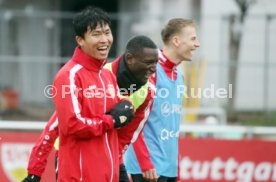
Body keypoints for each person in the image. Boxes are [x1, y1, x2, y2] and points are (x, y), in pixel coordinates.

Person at [23, 35, 159, 182]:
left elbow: (127, 136)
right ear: (130, 59)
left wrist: (113, 158)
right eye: (149, 62)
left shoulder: (149, 91)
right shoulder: (98, 75)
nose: (154, 68)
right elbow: (56, 124)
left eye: (156, 63)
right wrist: (35, 171)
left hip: (109, 157)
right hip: (72, 155)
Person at [33, 6, 135, 182]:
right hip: (79, 176)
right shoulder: (68, 75)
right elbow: (72, 124)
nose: (104, 40)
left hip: (109, 175)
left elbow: (119, 111)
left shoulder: (107, 74)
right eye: (96, 34)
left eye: (107, 32)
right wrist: (111, 120)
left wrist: (127, 106)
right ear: (80, 40)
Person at [124, 18, 200, 182]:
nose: (197, 44)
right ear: (176, 41)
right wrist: (145, 163)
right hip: (147, 170)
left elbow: (171, 124)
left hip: (168, 169)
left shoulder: (178, 74)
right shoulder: (149, 70)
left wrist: (176, 166)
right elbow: (132, 121)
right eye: (193, 38)